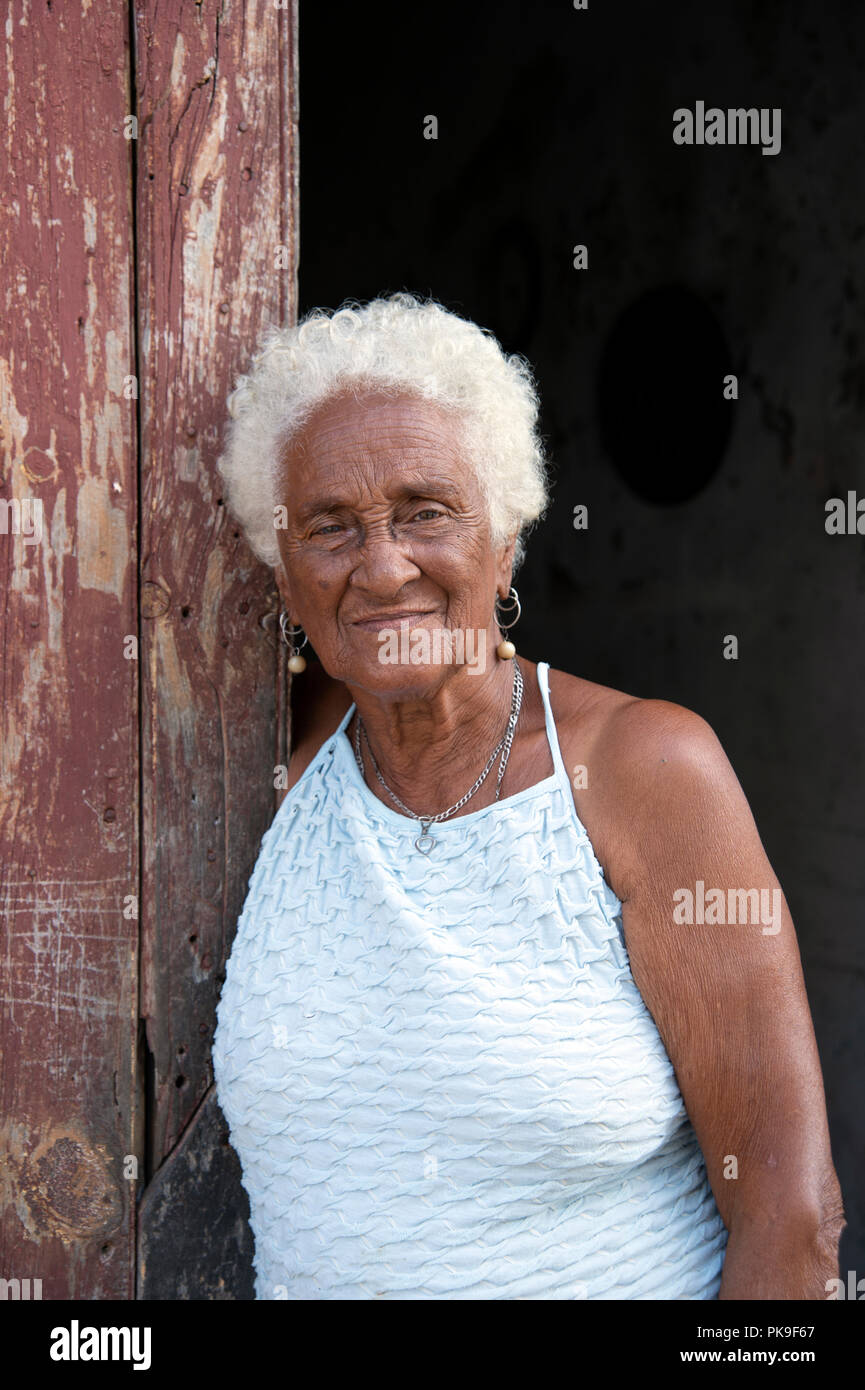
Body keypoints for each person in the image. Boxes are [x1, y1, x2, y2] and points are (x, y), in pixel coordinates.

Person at [211, 291, 844, 1300]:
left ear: (504, 542)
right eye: (329, 529)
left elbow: (792, 1216)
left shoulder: (642, 772)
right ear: (283, 579)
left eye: (425, 511)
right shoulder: (274, 781)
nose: (383, 566)